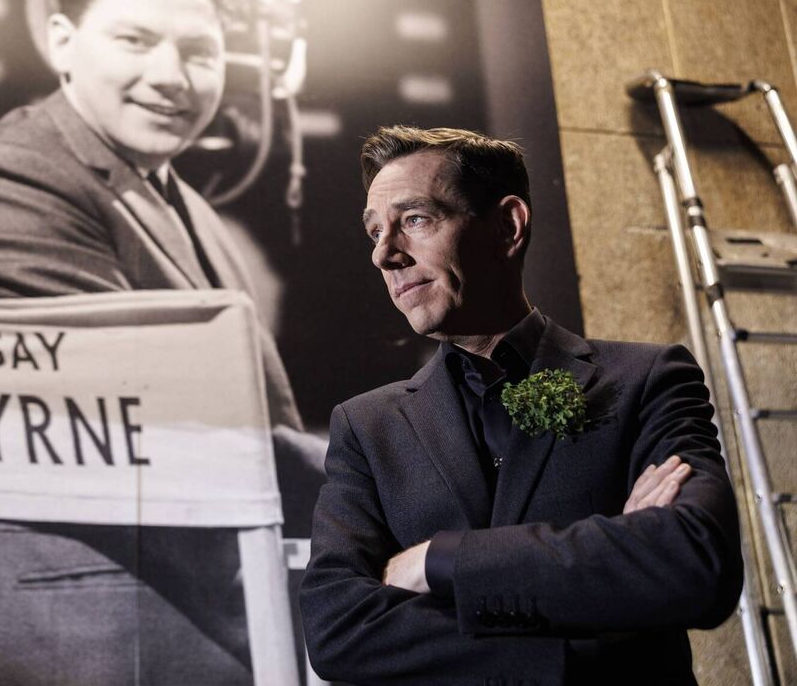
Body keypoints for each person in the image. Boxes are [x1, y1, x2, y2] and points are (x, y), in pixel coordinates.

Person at [0, 0, 321, 684]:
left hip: (208, 608)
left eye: (199, 50)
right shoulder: (5, 176)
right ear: (62, 42)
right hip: (93, 623)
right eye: (135, 39)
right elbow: (134, 411)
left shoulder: (182, 201)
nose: (172, 76)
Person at [299, 126, 743, 685]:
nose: (385, 254)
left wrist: (435, 561)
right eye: (374, 232)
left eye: (414, 220)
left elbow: (694, 563)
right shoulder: (366, 427)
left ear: (508, 227)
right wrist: (581, 644)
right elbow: (338, 629)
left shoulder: (646, 379)